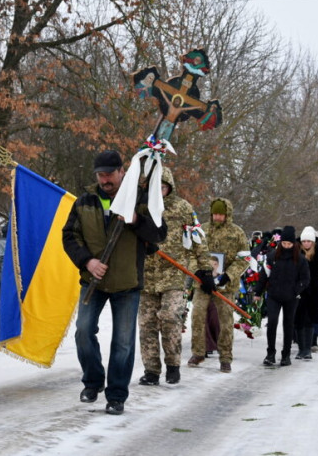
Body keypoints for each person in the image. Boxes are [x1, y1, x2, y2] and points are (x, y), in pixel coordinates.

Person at [62, 150, 167, 416]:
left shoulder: (140, 199)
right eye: (100, 175)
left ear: (122, 172)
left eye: (110, 174)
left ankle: (117, 395)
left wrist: (136, 220)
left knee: (123, 343)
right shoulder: (85, 201)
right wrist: (87, 261)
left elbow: (159, 234)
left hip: (128, 283)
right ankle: (93, 381)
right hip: (93, 280)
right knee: (83, 331)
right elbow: (69, 236)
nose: (105, 179)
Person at [138, 168, 210, 386]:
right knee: (147, 324)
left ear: (170, 187)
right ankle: (151, 370)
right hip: (146, 275)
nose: (159, 191)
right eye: (155, 187)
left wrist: (205, 269)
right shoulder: (141, 206)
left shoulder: (182, 207)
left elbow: (197, 238)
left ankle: (173, 365)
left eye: (163, 187)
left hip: (174, 274)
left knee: (170, 318)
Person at [187, 198, 248, 373]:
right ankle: (198, 352)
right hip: (203, 284)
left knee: (225, 321)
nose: (217, 217)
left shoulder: (237, 233)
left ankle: (225, 357)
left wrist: (228, 276)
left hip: (225, 286)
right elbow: (191, 253)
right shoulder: (202, 231)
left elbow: (244, 258)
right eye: (215, 214)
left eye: (221, 214)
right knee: (197, 316)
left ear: (227, 214)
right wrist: (198, 272)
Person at [254, 225, 309, 366]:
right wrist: (258, 292)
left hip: (291, 297)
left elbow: (305, 279)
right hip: (274, 295)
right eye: (284, 243)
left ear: (293, 244)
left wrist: (296, 290)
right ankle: (270, 353)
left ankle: (286, 354)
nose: (286, 246)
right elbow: (264, 275)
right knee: (272, 322)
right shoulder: (272, 256)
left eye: (289, 244)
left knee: (288, 324)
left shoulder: (300, 259)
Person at [294, 226, 318, 360]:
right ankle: (301, 347)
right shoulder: (297, 251)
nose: (306, 244)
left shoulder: (317, 251)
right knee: (299, 317)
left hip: (313, 288)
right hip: (299, 287)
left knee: (311, 317)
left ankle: (309, 346)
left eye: (309, 241)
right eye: (304, 241)